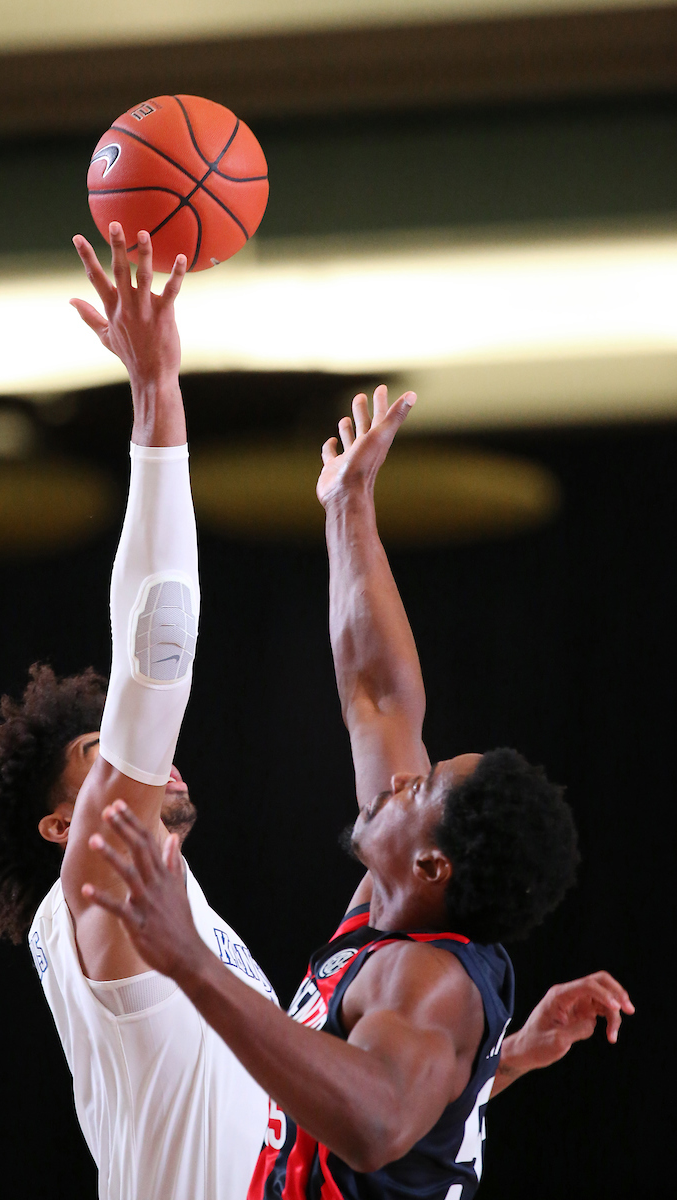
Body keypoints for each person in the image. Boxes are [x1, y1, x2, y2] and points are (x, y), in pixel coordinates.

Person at [82, 386, 634, 1200]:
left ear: (435, 865)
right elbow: (379, 696)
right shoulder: (408, 909)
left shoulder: (426, 981)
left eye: (423, 788)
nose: (404, 777)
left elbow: (377, 1129)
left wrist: (189, 958)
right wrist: (349, 508)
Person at [0, 222, 274, 1200]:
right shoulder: (96, 882)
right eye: (100, 750)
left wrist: (486, 1065)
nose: (145, 759)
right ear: (60, 825)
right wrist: (156, 398)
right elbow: (158, 644)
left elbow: (300, 1103)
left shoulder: (155, 913)